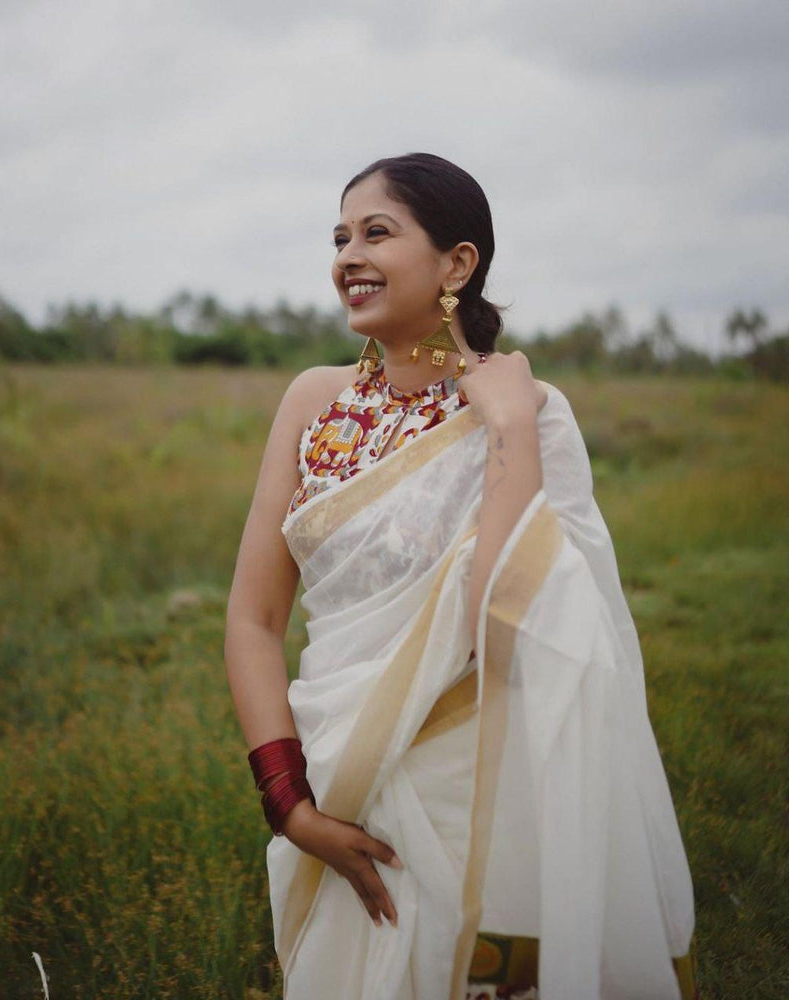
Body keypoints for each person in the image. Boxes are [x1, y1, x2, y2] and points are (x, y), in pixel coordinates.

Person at [224, 153, 698, 1000]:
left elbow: (502, 627)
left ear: (458, 261)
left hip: (469, 791)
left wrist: (509, 420)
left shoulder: (529, 411)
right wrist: (291, 808)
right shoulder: (311, 402)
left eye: (377, 232)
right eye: (339, 237)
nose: (347, 256)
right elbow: (254, 618)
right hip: (339, 790)